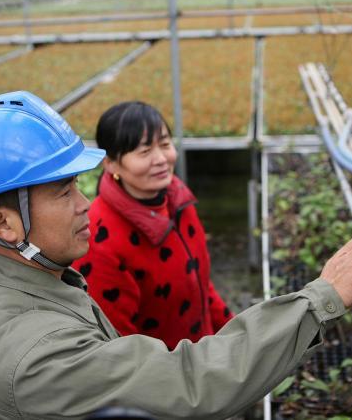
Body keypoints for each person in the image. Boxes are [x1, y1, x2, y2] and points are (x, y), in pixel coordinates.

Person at [0, 91, 352, 419]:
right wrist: (320, 298)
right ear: (2, 224)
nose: (83, 204)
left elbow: (200, 287)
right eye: (63, 192)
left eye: (77, 186)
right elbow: (187, 383)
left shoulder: (28, 280)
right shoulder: (41, 355)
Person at [72, 101, 233, 350]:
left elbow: (200, 284)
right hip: (167, 376)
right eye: (144, 151)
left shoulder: (177, 200)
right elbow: (121, 344)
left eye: (165, 144)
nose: (161, 159)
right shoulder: (99, 242)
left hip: (203, 356)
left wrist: (231, 333)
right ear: (111, 164)